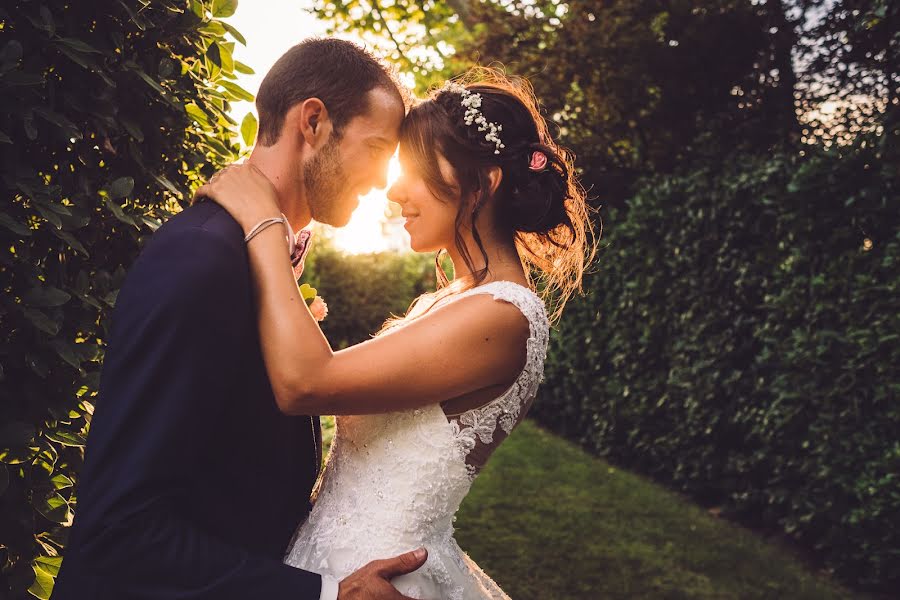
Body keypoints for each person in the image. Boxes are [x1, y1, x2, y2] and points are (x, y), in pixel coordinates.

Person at [196, 67, 594, 598]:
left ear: (485, 183)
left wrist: (263, 221)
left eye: (417, 170)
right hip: (334, 564)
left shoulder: (502, 315)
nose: (394, 190)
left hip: (376, 575)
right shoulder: (455, 301)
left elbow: (305, 383)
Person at [52, 38, 427, 600]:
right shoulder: (201, 260)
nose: (381, 182)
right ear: (315, 122)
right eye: (376, 149)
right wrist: (328, 593)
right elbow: (119, 530)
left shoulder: (258, 251)